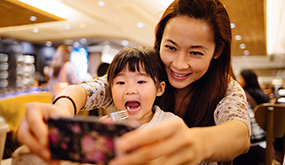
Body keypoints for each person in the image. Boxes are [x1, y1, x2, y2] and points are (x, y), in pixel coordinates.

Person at [17, 0, 251, 164]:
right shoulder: (149, 73)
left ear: (218, 50)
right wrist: (61, 108)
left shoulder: (226, 89)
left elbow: (239, 135)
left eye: (196, 53)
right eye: (170, 48)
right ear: (159, 41)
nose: (179, 64)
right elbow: (91, 90)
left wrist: (196, 142)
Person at [104, 46, 184, 129]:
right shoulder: (104, 125)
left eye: (141, 82)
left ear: (159, 89)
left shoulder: (171, 124)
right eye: (121, 82)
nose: (130, 90)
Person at [235, 69, 269, 165]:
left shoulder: (243, 94)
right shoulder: (263, 94)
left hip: (251, 145)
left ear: (246, 80)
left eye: (240, 78)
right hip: (266, 141)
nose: (238, 81)